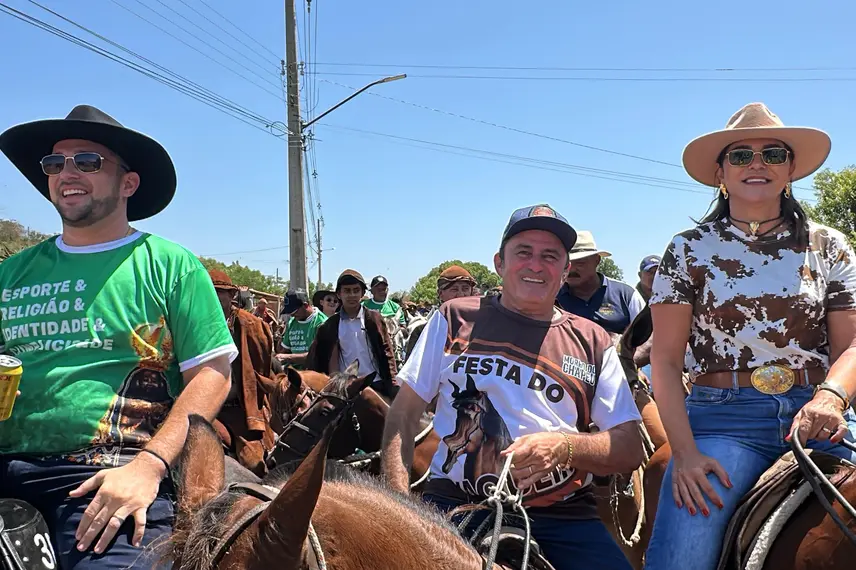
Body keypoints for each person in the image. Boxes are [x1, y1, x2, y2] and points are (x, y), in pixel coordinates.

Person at [0, 105, 236, 569]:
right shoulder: (10, 273)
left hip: (113, 474)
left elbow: (212, 374)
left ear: (128, 184)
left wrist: (149, 467)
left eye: (87, 161)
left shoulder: (170, 265)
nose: (66, 172)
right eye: (55, 163)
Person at [644, 102, 856, 570]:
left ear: (791, 168)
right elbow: (664, 361)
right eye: (740, 155)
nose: (756, 164)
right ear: (720, 172)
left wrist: (831, 397)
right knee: (683, 557)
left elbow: (852, 346)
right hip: (723, 423)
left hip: (818, 413)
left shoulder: (830, 245)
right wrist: (685, 454)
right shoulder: (687, 249)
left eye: (773, 154)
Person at [381, 204, 643, 570]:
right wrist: (398, 508)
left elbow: (629, 445)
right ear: (499, 264)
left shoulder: (592, 340)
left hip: (562, 517)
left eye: (550, 256)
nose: (536, 265)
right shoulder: (454, 317)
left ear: (565, 270)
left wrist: (566, 447)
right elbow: (404, 414)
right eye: (523, 253)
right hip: (451, 507)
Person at [209, 269, 277, 477]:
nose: (211, 297)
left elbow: (262, 368)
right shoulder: (191, 323)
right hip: (201, 405)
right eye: (207, 292)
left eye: (218, 292)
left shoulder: (252, 326)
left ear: (232, 296)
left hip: (239, 408)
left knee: (254, 463)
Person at [307, 270, 399, 399]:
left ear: (362, 293)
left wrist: (393, 382)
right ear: (339, 294)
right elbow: (327, 358)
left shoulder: (374, 319)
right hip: (348, 389)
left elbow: (387, 351)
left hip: (376, 384)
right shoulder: (331, 325)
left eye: (356, 290)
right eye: (347, 291)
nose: (352, 295)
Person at [556, 231, 645, 337]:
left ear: (597, 260)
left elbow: (645, 338)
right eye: (567, 263)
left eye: (580, 263)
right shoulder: (552, 297)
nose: (572, 269)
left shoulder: (626, 295)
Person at [405, 265, 477, 360]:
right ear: (440, 294)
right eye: (454, 289)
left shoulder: (481, 331)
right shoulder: (424, 332)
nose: (461, 294)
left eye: (465, 289)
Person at [276, 288, 328, 369]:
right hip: (292, 372)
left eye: (294, 311)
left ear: (305, 305)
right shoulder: (292, 323)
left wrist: (288, 357)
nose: (292, 315)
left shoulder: (321, 323)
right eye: (290, 313)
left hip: (314, 374)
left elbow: (317, 357)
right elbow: (284, 351)